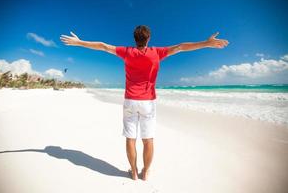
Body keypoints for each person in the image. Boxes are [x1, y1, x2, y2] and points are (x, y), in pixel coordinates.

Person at [60, 25, 229, 180]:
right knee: (148, 140)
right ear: (148, 39)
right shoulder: (157, 53)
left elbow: (103, 46)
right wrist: (206, 43)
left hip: (130, 101)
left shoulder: (126, 52)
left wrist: (80, 42)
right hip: (148, 102)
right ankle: (145, 172)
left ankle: (133, 172)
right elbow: (181, 47)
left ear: (135, 39)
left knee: (130, 138)